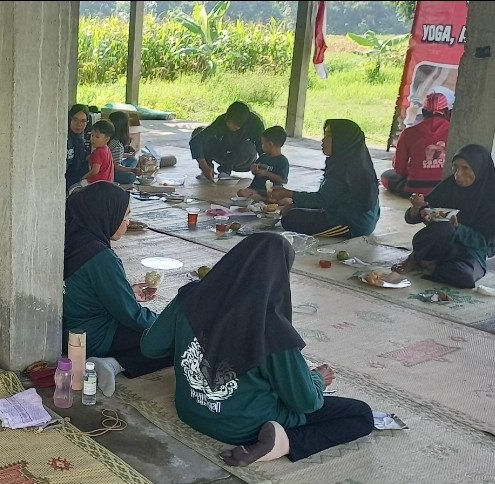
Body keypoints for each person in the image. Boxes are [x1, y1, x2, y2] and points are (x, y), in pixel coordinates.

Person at [141, 233, 374, 466]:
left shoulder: (191, 296)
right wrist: (317, 379)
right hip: (244, 428)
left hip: (190, 412)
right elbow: (306, 403)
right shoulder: (271, 326)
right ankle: (282, 443)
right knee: (361, 414)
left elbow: (151, 348)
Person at [64, 182, 171, 397]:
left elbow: (85, 291)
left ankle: (110, 363)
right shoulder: (100, 257)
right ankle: (113, 364)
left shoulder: (70, 240)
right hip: (93, 337)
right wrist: (166, 326)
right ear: (106, 214)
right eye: (125, 215)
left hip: (64, 333)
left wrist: (126, 292)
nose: (127, 222)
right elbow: (132, 315)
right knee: (174, 342)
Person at [392, 144, 495, 288]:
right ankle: (416, 256)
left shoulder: (491, 197)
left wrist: (458, 228)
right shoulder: (449, 186)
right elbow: (416, 216)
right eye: (455, 167)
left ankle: (426, 263)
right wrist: (416, 208)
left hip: (470, 252)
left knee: (465, 277)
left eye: (465, 168)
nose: (458, 174)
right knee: (444, 227)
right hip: (442, 245)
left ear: (480, 169)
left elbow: (483, 241)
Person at [271, 119, 380, 238]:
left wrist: (287, 193)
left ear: (342, 139)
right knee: (295, 209)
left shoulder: (344, 169)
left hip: (352, 222)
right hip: (343, 211)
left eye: (329, 135)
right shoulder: (350, 159)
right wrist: (297, 203)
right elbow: (328, 197)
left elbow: (321, 200)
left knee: (290, 219)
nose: (323, 140)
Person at [382, 92, 451, 197]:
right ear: (446, 112)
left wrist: (416, 170)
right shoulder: (457, 133)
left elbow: (399, 168)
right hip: (445, 189)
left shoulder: (408, 133)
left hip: (414, 189)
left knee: (386, 176)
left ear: (423, 112)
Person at [190, 101, 264, 181]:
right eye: (232, 123)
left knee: (248, 147)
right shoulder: (221, 121)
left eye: (238, 125)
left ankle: (225, 171)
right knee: (198, 132)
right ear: (227, 118)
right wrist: (205, 167)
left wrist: (261, 169)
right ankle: (209, 170)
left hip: (243, 161)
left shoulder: (255, 124)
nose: (235, 127)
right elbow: (197, 141)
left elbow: (262, 149)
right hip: (223, 153)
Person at [237, 126, 290, 202]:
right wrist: (253, 169)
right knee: (241, 192)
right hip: (256, 188)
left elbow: (284, 180)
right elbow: (253, 169)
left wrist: (266, 173)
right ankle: (268, 200)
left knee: (286, 200)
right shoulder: (263, 157)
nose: (262, 146)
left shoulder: (282, 161)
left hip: (272, 191)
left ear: (270, 144)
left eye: (263, 143)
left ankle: (266, 199)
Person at [108, 111, 142, 185]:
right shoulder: (117, 144)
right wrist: (132, 170)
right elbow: (115, 166)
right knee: (131, 177)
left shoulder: (113, 140)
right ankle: (129, 171)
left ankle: (128, 170)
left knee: (133, 159)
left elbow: (113, 155)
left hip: (115, 164)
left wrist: (127, 155)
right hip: (112, 171)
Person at [65, 104, 92, 192]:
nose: (79, 124)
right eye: (75, 120)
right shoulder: (64, 137)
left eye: (83, 121)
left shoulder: (89, 138)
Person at [83, 120, 115, 184]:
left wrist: (84, 177)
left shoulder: (98, 152)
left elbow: (95, 171)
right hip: (106, 183)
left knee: (73, 188)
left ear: (107, 139)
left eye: (97, 137)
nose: (93, 139)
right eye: (92, 135)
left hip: (95, 183)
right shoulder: (107, 149)